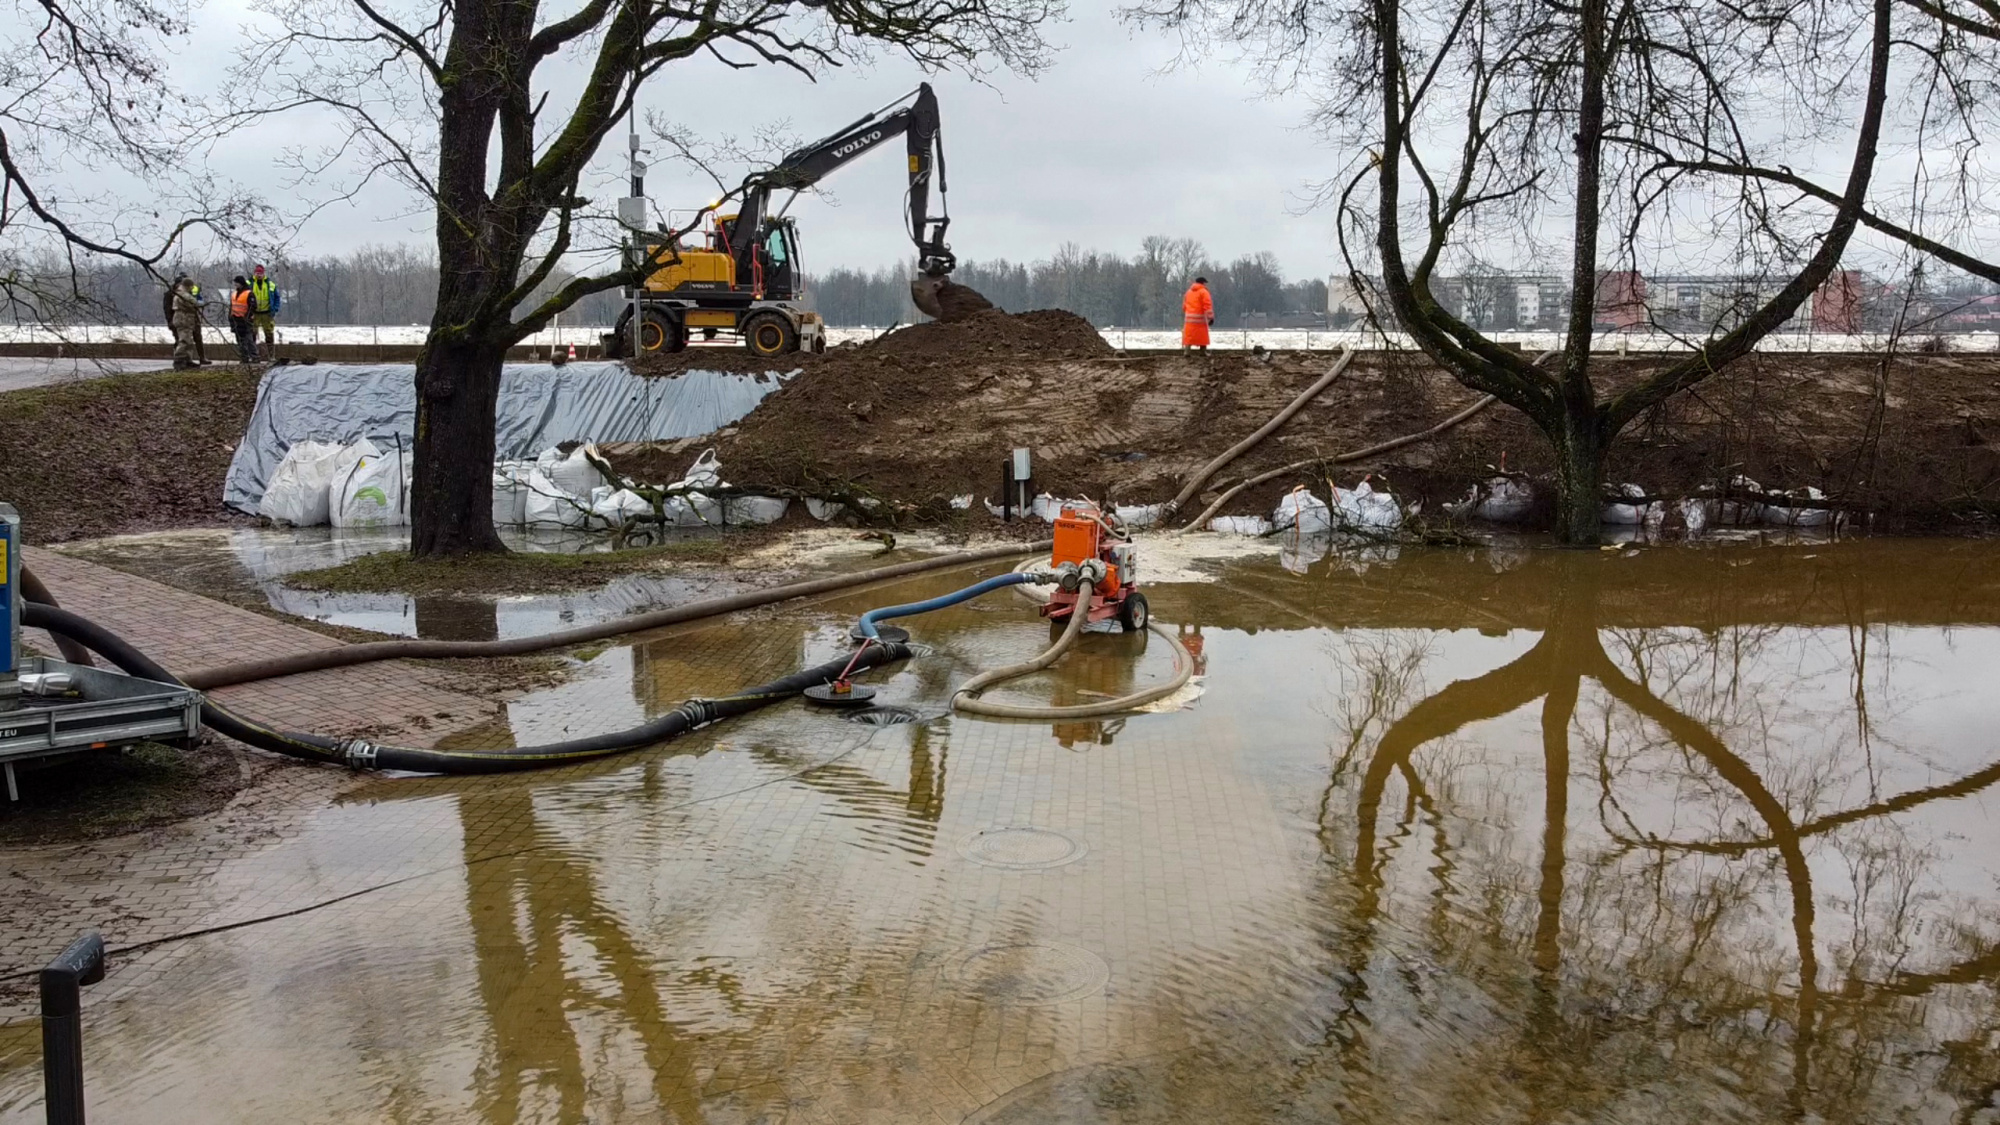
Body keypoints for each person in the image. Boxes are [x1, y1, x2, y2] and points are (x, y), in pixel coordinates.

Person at [248, 264, 281, 360]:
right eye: (257, 273)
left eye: (260, 273)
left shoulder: (270, 284)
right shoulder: (249, 283)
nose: (259, 275)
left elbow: (277, 297)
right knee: (252, 334)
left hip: (267, 313)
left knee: (269, 334)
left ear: (264, 274)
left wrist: (275, 308)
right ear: (254, 273)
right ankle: (253, 355)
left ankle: (271, 356)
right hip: (254, 313)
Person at [170, 275, 203, 369]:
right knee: (184, 340)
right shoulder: (183, 295)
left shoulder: (178, 293)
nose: (192, 288)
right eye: (191, 286)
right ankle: (179, 360)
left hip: (183, 319)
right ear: (188, 286)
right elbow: (195, 303)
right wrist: (199, 303)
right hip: (184, 319)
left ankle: (187, 360)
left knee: (188, 340)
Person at [227, 276, 258, 363]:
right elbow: (231, 306)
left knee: (248, 339)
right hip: (236, 319)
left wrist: (247, 317)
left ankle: (255, 357)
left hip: (245, 320)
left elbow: (253, 307)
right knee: (240, 340)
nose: (235, 284)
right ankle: (244, 357)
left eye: (237, 283)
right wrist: (230, 317)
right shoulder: (234, 294)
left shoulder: (249, 293)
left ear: (241, 283)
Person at [1182, 275, 1214, 353]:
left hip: (1189, 320)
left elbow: (1184, 306)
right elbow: (1207, 305)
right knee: (1202, 336)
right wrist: (1210, 317)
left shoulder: (1188, 292)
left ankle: (1187, 351)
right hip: (1200, 320)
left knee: (1189, 336)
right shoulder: (1204, 292)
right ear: (1203, 283)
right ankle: (1203, 352)